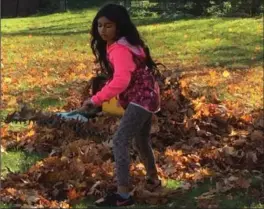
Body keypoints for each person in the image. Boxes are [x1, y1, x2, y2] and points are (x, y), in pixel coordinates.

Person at [81, 3, 162, 207]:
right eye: (99, 26)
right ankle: (153, 179)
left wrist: (95, 100)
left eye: (108, 26)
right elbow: (122, 76)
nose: (102, 30)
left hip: (141, 99)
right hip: (148, 96)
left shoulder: (119, 48)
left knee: (119, 141)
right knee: (141, 139)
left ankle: (123, 196)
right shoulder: (126, 43)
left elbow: (121, 81)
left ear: (119, 26)